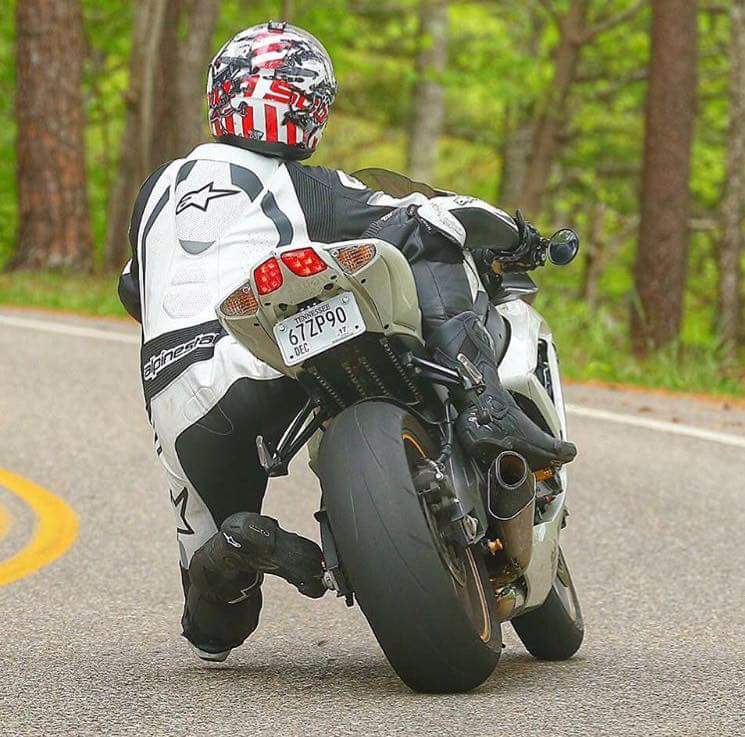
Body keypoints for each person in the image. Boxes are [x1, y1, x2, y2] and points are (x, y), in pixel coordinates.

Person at [118, 21, 576, 663]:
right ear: (309, 109)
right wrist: (523, 237)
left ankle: (242, 543)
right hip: (260, 358)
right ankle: (484, 403)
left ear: (222, 95)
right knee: (427, 238)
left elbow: (132, 290)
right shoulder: (303, 187)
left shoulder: (156, 189)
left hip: (176, 400)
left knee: (214, 628)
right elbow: (427, 217)